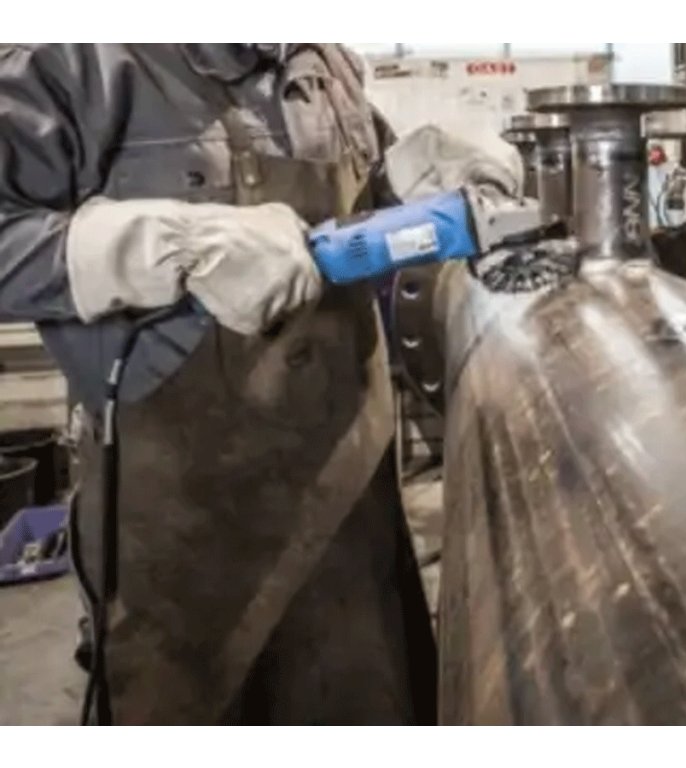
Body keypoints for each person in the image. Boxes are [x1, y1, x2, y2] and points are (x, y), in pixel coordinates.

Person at [0, 43, 522, 724]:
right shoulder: (68, 63)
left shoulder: (321, 61)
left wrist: (410, 180)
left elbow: (354, 207)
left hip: (351, 517)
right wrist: (156, 247)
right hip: (184, 549)